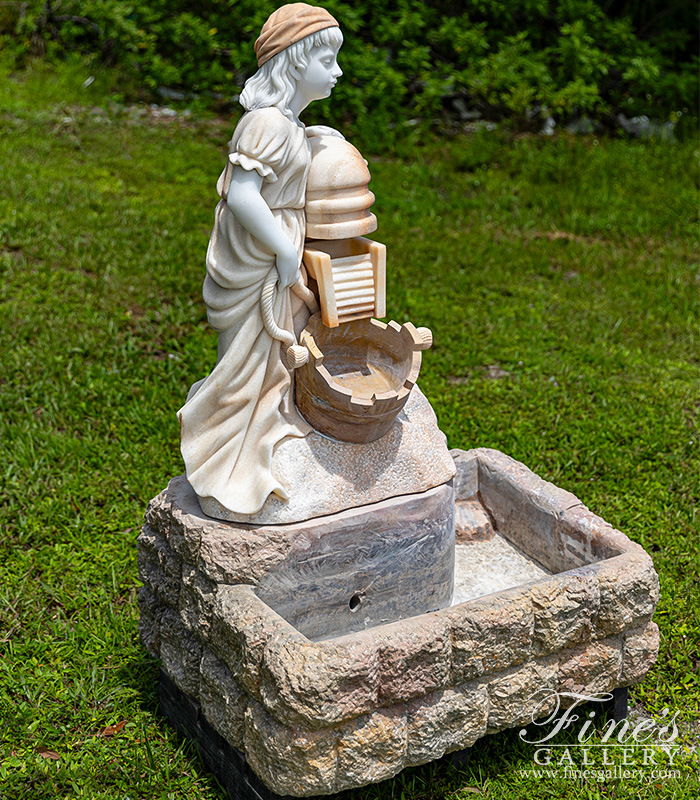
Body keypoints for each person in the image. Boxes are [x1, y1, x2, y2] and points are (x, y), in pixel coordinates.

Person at [178, 4, 343, 516]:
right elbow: (246, 196)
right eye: (328, 60)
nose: (337, 72)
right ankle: (226, 465)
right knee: (244, 367)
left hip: (273, 257)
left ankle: (263, 441)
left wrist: (318, 138)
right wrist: (285, 247)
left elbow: (285, 158)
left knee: (273, 362)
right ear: (296, 62)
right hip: (256, 263)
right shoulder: (266, 123)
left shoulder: (287, 124)